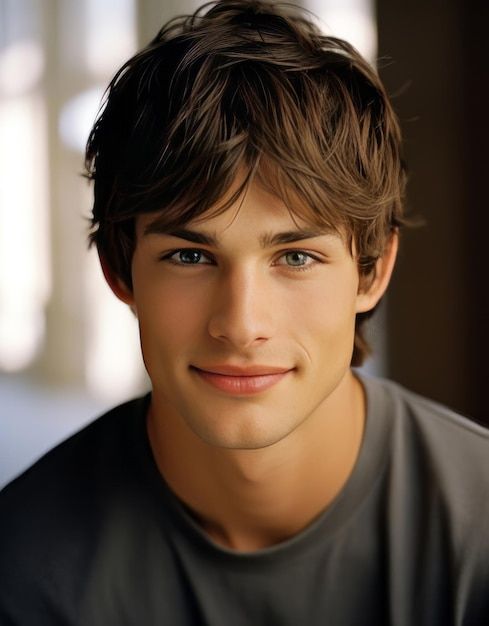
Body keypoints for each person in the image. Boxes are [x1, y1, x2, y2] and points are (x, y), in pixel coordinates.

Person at [1, 1, 488, 624]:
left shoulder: (477, 535)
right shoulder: (23, 566)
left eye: (296, 257)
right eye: (188, 255)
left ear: (373, 271)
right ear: (120, 273)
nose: (240, 322)